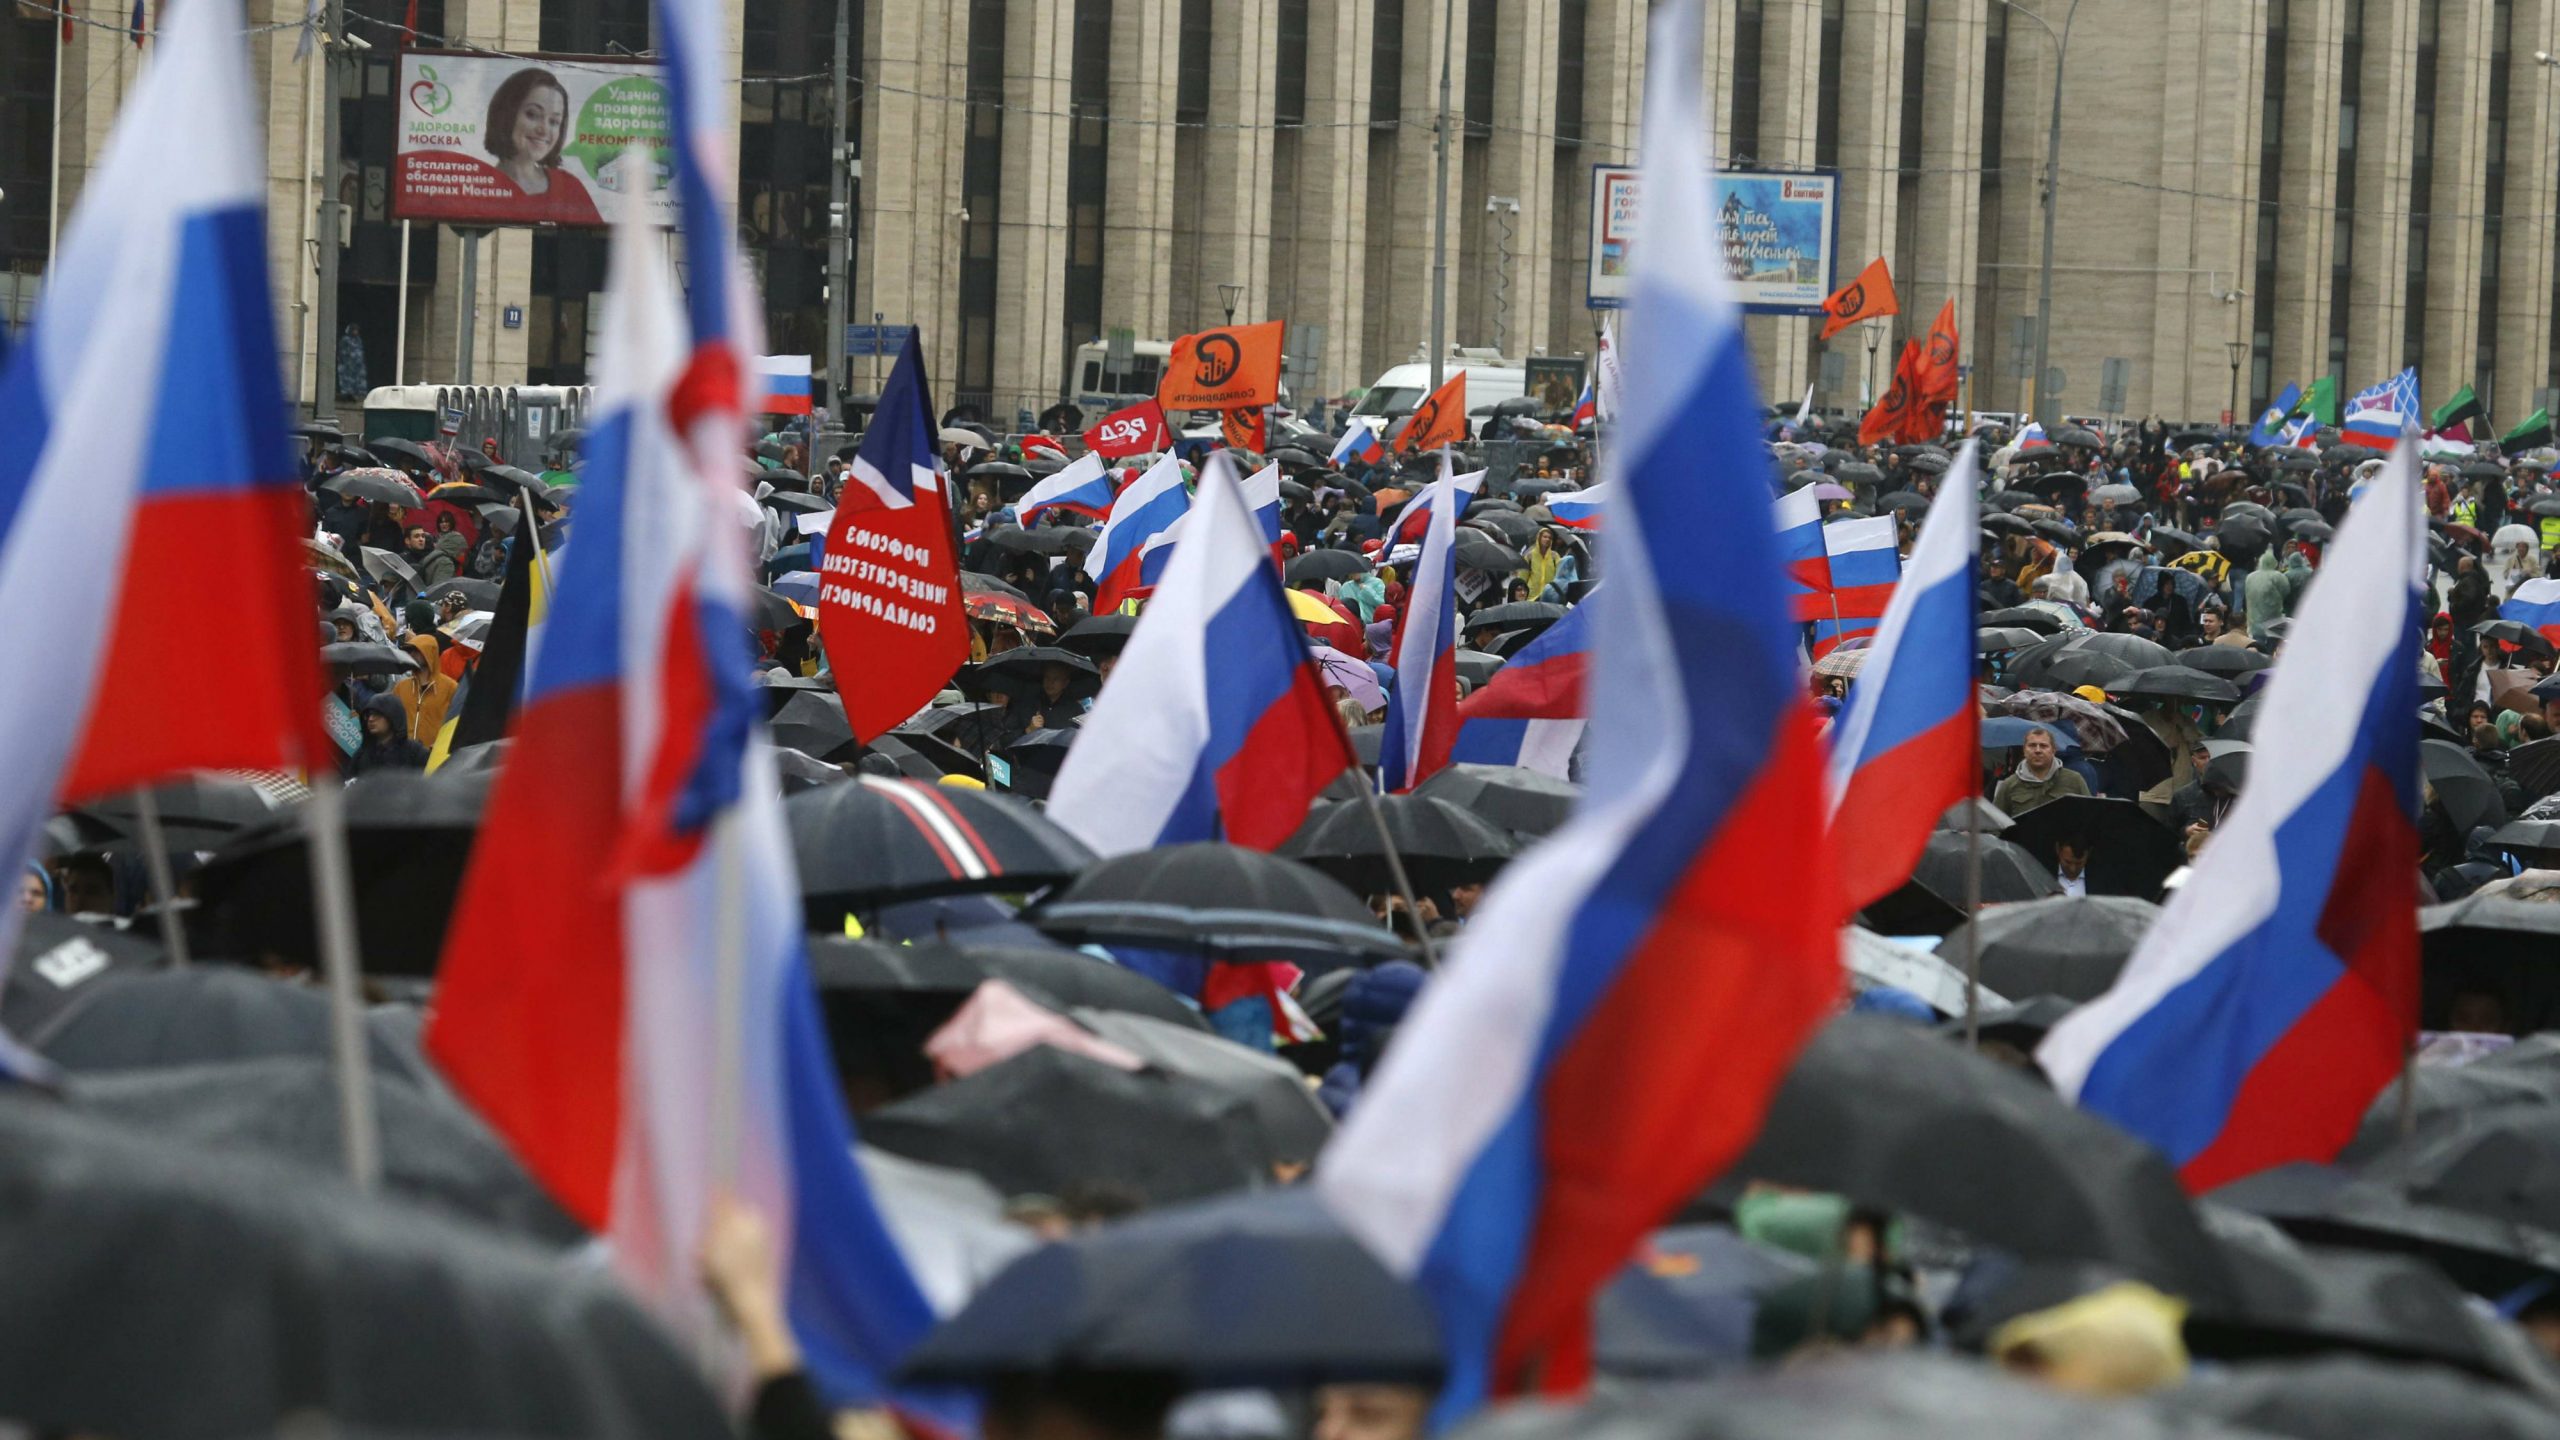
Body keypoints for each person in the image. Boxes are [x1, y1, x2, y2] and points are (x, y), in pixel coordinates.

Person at [480, 68, 602, 225]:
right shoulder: (478, 186)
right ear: (506, 115)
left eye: (553, 122)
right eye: (532, 114)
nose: (544, 130)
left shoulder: (569, 188)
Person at [1993, 726, 2090, 816]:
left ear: (2053, 750)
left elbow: (2090, 817)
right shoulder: (2009, 785)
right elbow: (1996, 826)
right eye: (2032, 745)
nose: (2037, 750)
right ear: (2024, 750)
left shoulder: (2074, 781)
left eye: (2043, 746)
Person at [394, 634, 458, 744]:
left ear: (430, 653)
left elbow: (456, 723)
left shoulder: (450, 687)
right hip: (405, 754)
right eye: (410, 650)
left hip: (434, 755)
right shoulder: (401, 687)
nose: (412, 654)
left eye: (417, 650)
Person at [352, 691, 428, 773]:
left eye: (377, 714)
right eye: (368, 715)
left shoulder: (414, 753)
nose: (371, 719)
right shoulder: (362, 755)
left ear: (392, 716)